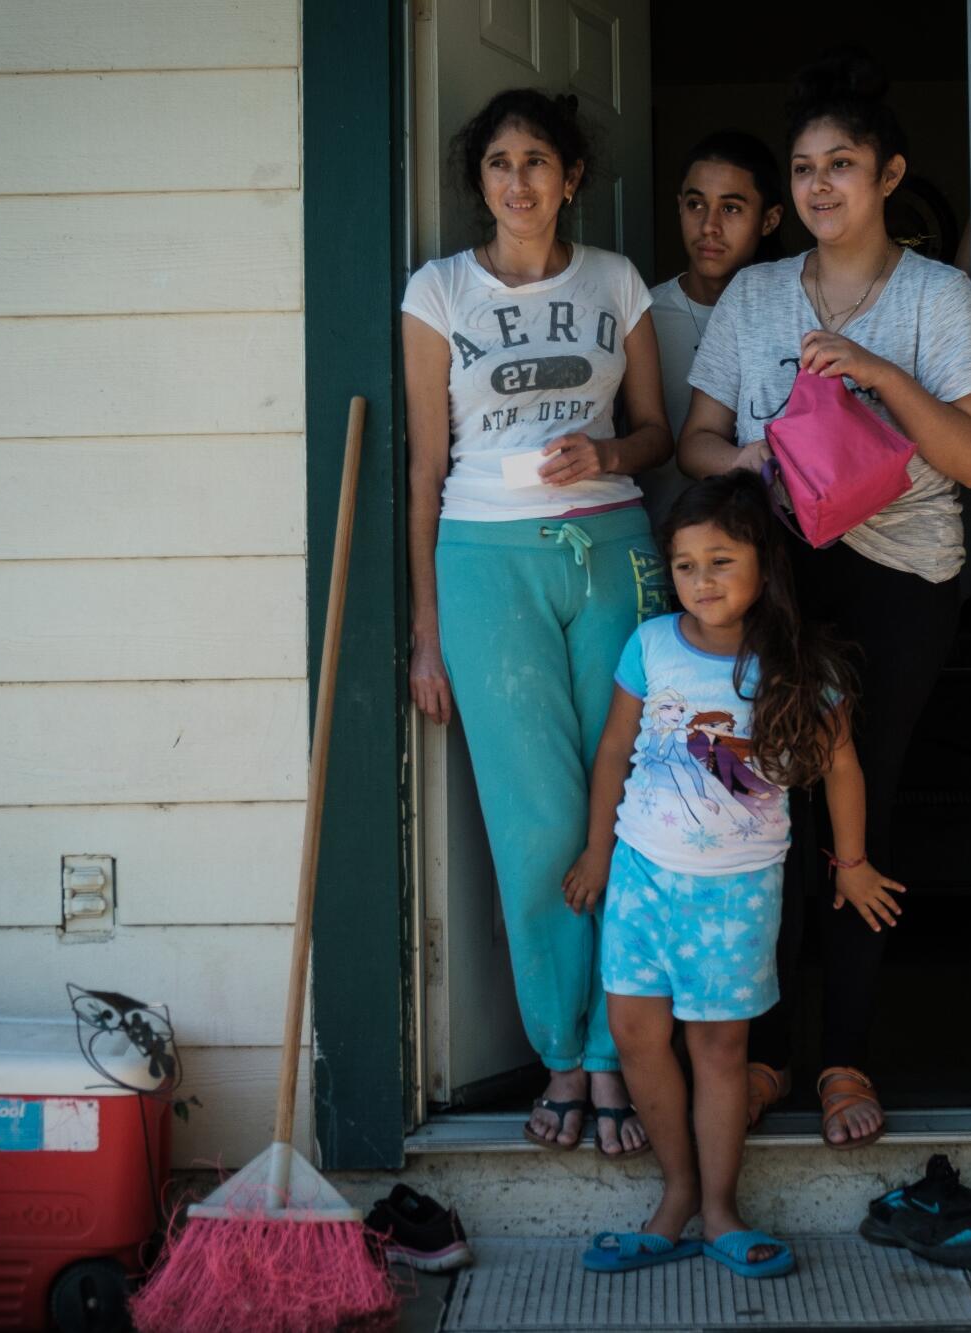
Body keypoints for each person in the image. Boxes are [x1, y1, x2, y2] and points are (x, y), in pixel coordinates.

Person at [677, 50, 971, 1148]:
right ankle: (769, 1050)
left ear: (888, 176)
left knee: (862, 807)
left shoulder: (937, 296)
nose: (820, 186)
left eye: (842, 166)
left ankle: (846, 1054)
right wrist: (758, 467)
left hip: (901, 579)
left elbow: (969, 459)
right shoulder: (758, 294)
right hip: (778, 570)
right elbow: (695, 439)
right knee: (765, 800)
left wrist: (875, 371)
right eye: (805, 168)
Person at [401, 88, 673, 1157]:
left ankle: (620, 1055)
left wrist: (602, 456)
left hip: (612, 548)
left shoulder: (613, 281)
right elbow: (426, 468)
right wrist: (427, 631)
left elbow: (653, 430)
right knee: (535, 825)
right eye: (499, 164)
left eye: (537, 162)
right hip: (483, 561)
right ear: (481, 180)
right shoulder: (437, 292)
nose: (518, 182)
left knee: (634, 804)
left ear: (570, 179)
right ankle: (565, 1049)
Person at [567, 472, 898, 1278]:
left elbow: (843, 764)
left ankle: (719, 1209)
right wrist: (597, 851)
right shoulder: (649, 646)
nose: (702, 581)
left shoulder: (794, 662)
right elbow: (615, 749)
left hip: (738, 892)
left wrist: (850, 866)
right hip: (644, 877)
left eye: (721, 560)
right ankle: (675, 1194)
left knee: (720, 1047)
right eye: (685, 565)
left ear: (763, 566)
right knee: (639, 1036)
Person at [639, 131, 784, 525]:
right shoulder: (641, 317)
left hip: (765, 549)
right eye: (695, 204)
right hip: (660, 550)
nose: (709, 226)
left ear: (769, 219)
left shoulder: (792, 318)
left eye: (732, 209)